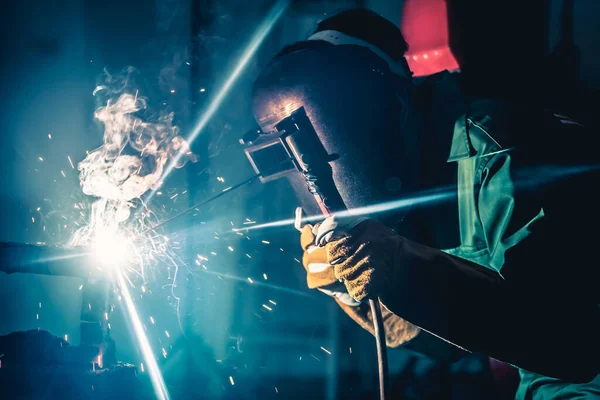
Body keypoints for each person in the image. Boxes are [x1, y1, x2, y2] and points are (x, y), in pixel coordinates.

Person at [250, 8, 600, 399]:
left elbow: (570, 344)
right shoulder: (405, 174)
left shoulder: (502, 151)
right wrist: (354, 290)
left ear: (389, 109)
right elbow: (449, 342)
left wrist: (404, 266)